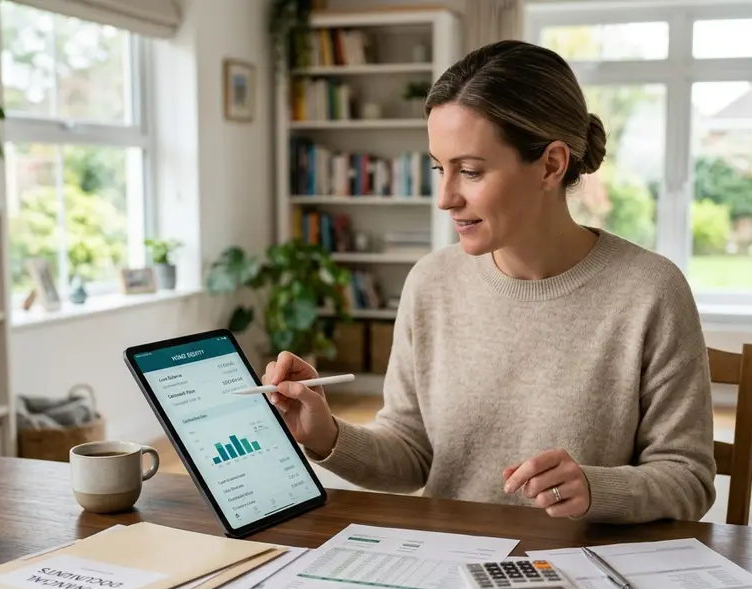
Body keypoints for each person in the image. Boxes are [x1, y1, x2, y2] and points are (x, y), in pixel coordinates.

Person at [264, 39, 716, 524]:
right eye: (440, 168)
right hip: (448, 562)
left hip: (582, 572)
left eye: (471, 172)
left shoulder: (651, 291)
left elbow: (687, 478)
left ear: (551, 164)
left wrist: (595, 488)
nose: (445, 198)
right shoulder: (431, 284)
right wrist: (326, 433)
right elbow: (412, 454)